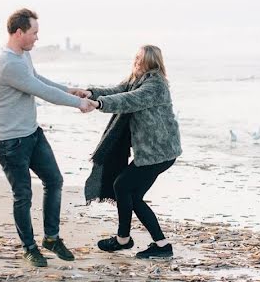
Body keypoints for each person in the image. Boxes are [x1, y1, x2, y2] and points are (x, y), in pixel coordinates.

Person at [0, 8, 97, 268]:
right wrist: (77, 104)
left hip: (30, 132)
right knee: (23, 194)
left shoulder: (22, 56)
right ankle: (29, 247)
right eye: (34, 33)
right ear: (18, 32)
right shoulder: (8, 64)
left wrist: (69, 90)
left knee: (54, 180)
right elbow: (40, 91)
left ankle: (51, 238)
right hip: (9, 140)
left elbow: (38, 80)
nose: (37, 38)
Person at [76, 45, 182, 259]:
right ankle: (148, 243)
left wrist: (98, 104)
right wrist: (91, 93)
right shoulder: (137, 79)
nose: (135, 61)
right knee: (130, 193)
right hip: (150, 153)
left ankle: (132, 241)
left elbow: (128, 100)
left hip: (160, 153)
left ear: (151, 62)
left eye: (140, 58)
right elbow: (118, 91)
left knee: (123, 186)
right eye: (135, 57)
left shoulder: (155, 85)